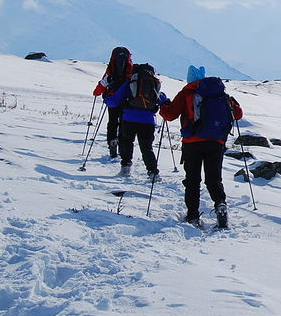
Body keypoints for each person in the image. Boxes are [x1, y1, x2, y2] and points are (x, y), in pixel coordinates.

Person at [159, 66, 243, 229]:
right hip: (216, 142)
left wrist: (163, 104)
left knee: (192, 180)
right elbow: (238, 114)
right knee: (213, 178)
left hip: (192, 143)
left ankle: (193, 216)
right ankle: (220, 205)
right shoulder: (220, 94)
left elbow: (169, 115)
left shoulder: (186, 93)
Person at [104, 62, 168, 181]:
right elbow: (163, 100)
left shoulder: (130, 83)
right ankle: (153, 172)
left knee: (126, 142)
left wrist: (106, 99)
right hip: (148, 121)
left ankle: (126, 167)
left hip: (129, 119)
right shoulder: (154, 84)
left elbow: (114, 101)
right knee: (146, 147)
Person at [92, 46, 132, 159]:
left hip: (113, 99)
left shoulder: (111, 69)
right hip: (126, 101)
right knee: (123, 124)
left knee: (112, 122)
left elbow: (103, 83)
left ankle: (112, 142)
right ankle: (121, 146)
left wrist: (96, 92)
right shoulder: (131, 68)